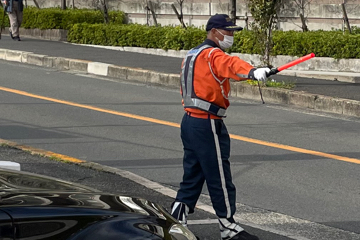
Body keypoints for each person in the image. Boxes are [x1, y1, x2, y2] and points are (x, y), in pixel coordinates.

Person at [170, 14, 270, 240]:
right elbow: (231, 65)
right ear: (215, 31)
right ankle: (228, 227)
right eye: (229, 31)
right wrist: (253, 72)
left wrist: (252, 72)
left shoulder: (193, 54)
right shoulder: (214, 54)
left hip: (189, 121)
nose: (231, 36)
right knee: (220, 177)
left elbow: (223, 71)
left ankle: (178, 216)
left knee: (193, 172)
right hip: (208, 123)